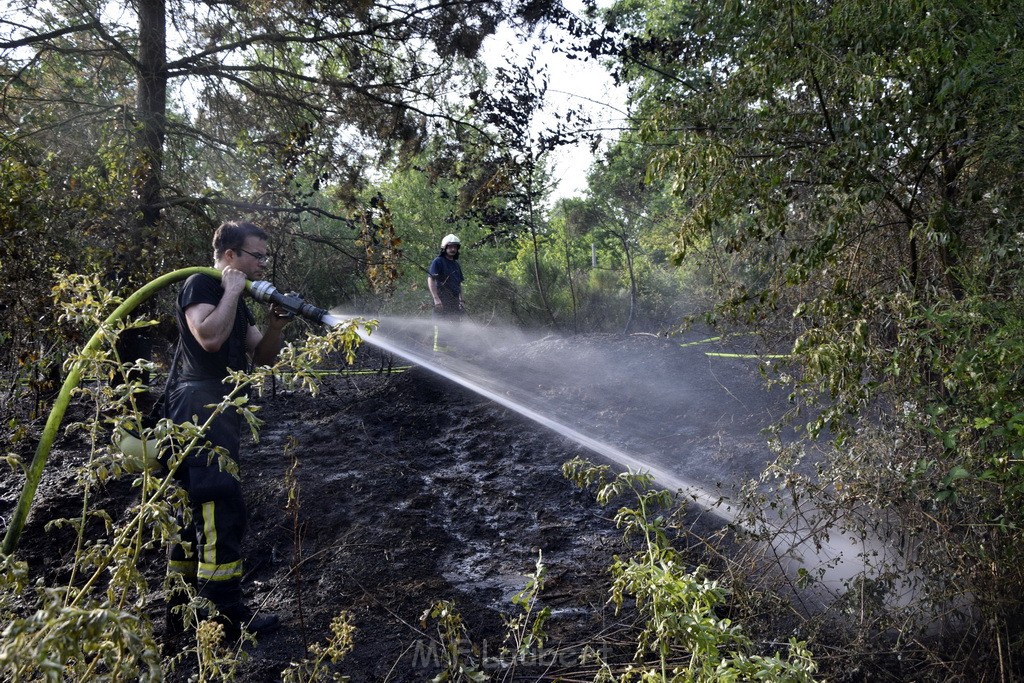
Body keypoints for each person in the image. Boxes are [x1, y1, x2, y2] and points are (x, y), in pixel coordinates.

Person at [164, 220, 292, 639]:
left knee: (193, 510)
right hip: (198, 407)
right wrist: (232, 290)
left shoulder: (237, 300)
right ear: (231, 256)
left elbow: (264, 359)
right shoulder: (201, 284)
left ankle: (183, 610)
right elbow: (209, 338)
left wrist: (274, 325)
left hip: (221, 407)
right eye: (257, 254)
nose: (263, 263)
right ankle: (225, 618)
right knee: (219, 505)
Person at [428, 233, 465, 318]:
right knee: (440, 326)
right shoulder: (438, 261)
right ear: (444, 248)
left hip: (455, 301)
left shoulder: (456, 264)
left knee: (455, 326)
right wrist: (436, 298)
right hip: (441, 300)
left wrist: (461, 300)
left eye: (455, 247)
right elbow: (431, 279)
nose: (453, 249)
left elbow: (459, 283)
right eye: (450, 247)